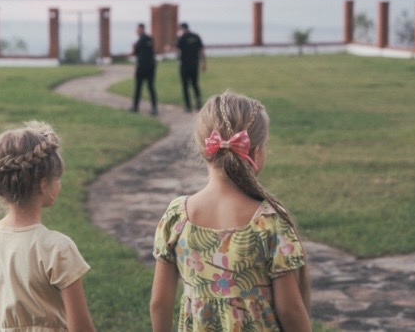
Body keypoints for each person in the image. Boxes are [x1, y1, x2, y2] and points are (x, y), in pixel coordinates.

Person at [149, 91, 311, 332]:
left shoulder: (177, 217)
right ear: (256, 152)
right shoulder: (269, 222)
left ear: (204, 149)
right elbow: (290, 310)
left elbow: (159, 304)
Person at [0, 121, 96, 332]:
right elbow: (81, 327)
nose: (59, 183)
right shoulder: (57, 248)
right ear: (43, 185)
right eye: (57, 178)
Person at [176, 23, 206, 112]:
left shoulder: (182, 38)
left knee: (185, 86)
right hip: (194, 64)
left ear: (182, 29)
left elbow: (177, 49)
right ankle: (198, 104)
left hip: (184, 65)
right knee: (195, 84)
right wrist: (204, 63)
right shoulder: (196, 36)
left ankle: (188, 106)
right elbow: (201, 50)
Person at [132, 23, 158, 115]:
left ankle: (135, 107)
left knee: (138, 87)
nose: (137, 31)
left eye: (138, 29)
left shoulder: (140, 40)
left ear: (141, 29)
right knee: (151, 87)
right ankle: (154, 108)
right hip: (151, 65)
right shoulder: (150, 39)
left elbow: (135, 52)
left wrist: (134, 47)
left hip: (142, 66)